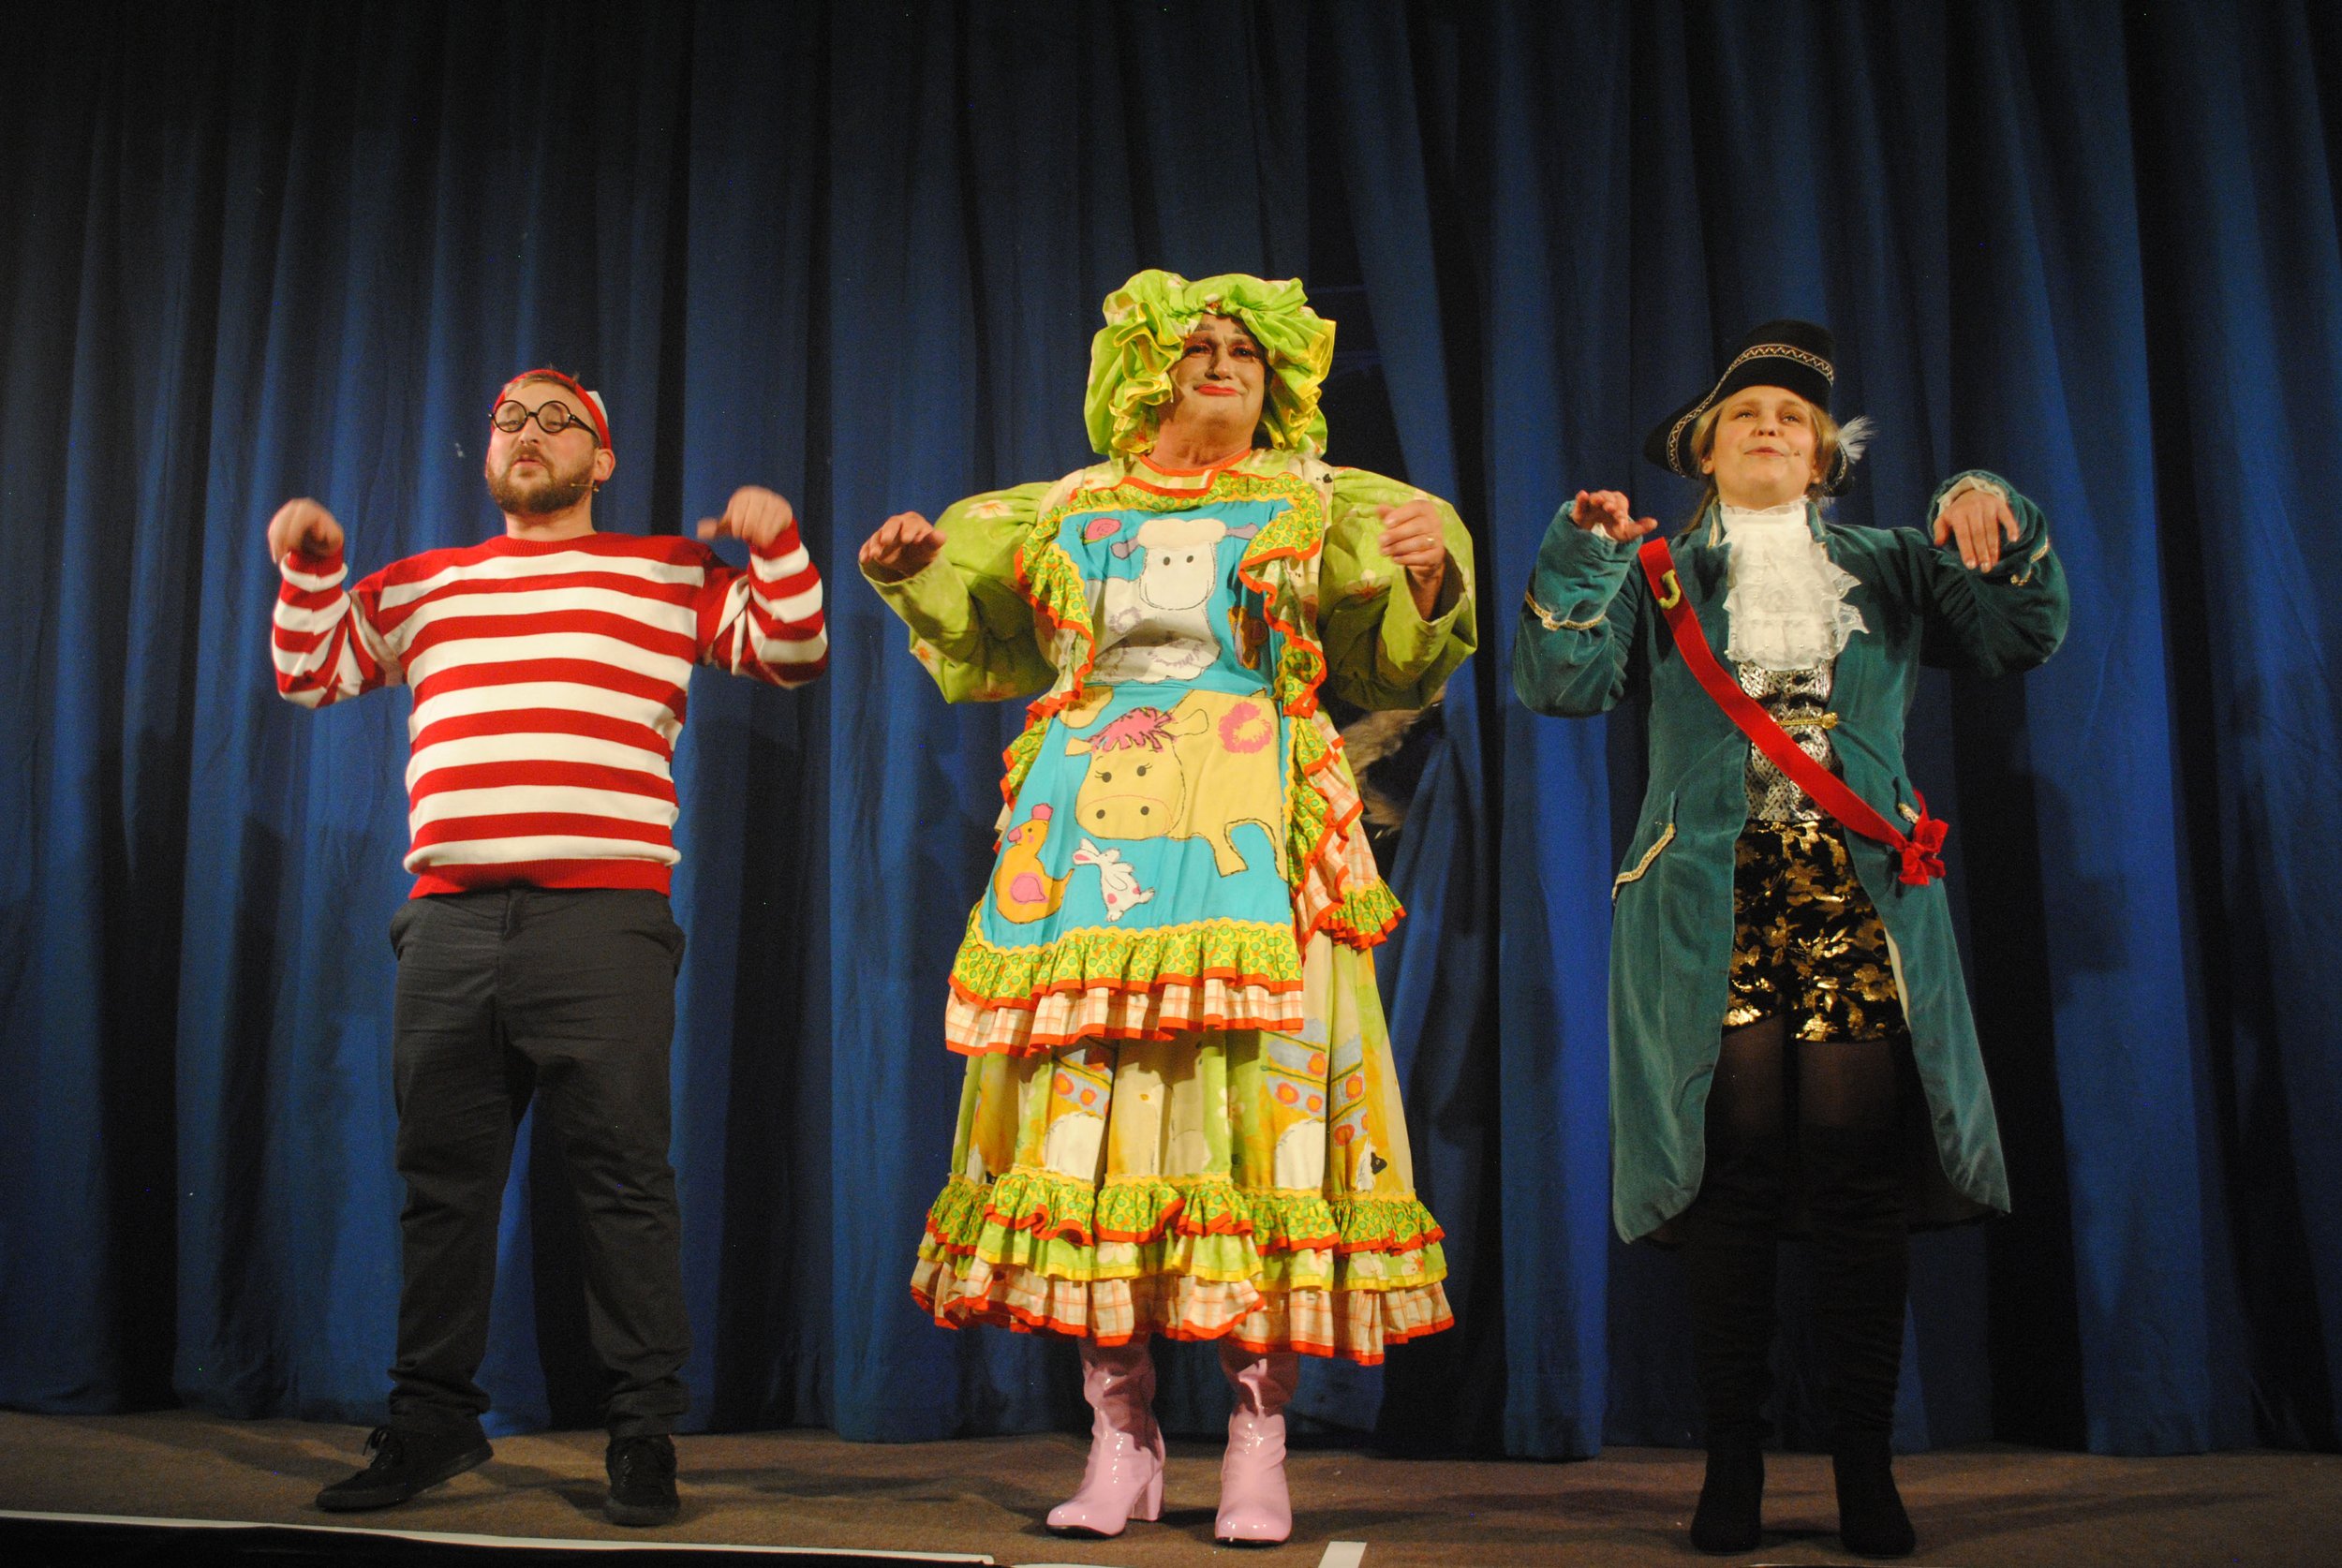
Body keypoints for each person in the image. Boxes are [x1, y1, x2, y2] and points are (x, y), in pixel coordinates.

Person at [860, 272, 1471, 1546]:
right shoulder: (1066, 508)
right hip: (1091, 845)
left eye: (1246, 348)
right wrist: (916, 570)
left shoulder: (1317, 498)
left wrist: (1424, 582)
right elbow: (980, 625)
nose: (1221, 361)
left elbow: (1396, 649)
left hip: (1255, 831)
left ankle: (1257, 1432)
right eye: (1194, 344)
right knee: (1098, 1122)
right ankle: (1121, 1431)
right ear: (1142, 370)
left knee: (1257, 1113)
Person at [1512, 321, 2068, 1558]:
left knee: (1855, 1174)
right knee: (1736, 1178)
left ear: (1824, 457)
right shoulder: (1662, 569)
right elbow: (1559, 685)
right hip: (1708, 901)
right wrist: (1580, 557)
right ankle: (1733, 1471)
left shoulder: (1884, 562)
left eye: (1794, 417)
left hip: (1856, 897)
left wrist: (1998, 508)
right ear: (1703, 453)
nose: (1770, 425)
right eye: (1743, 413)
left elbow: (2019, 637)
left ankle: (1866, 1469)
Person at [269, 368, 828, 1526]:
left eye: (555, 421)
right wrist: (312, 566)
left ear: (601, 460)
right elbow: (311, 671)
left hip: (602, 924)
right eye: (508, 422)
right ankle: (431, 1426)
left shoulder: (666, 571)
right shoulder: (428, 581)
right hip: (452, 924)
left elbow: (790, 650)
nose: (527, 435)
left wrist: (774, 541)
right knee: (443, 1190)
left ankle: (642, 1436)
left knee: (623, 1182)